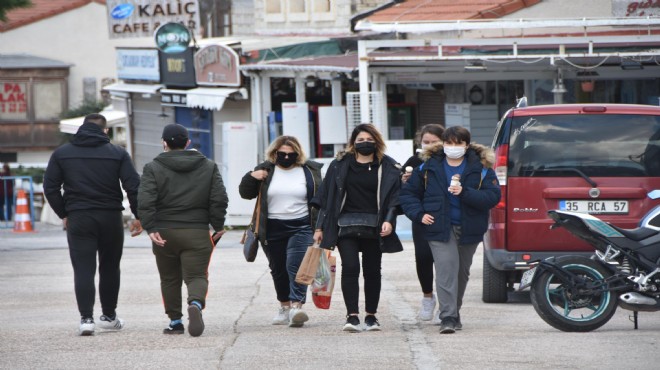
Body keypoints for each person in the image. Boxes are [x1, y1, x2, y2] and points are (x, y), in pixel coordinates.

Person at [44, 113, 143, 336]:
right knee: (110, 266)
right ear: (105, 131)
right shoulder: (117, 153)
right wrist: (139, 215)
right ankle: (108, 316)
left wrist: (64, 213)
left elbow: (50, 188)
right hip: (110, 216)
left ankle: (86, 319)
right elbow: (133, 186)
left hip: (79, 217)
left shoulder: (62, 154)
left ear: (81, 128)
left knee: (83, 269)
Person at [399, 125, 500, 334]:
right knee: (446, 271)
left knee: (461, 274)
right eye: (449, 143)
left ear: (466, 145)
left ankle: (455, 312)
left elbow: (493, 197)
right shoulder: (427, 167)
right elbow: (408, 194)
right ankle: (448, 317)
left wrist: (465, 192)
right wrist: (419, 214)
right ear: (443, 144)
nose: (453, 147)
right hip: (439, 227)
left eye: (458, 143)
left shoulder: (481, 168)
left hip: (469, 227)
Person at [138, 123, 228, 337]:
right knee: (197, 275)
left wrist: (150, 226)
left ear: (164, 143)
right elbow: (219, 198)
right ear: (188, 143)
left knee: (169, 278)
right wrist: (218, 225)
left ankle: (175, 321)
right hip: (196, 231)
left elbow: (145, 199)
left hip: (164, 231)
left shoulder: (153, 167)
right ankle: (195, 304)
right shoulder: (208, 166)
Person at [312, 123, 403, 332]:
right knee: (351, 267)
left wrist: (389, 219)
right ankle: (352, 316)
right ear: (353, 142)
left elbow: (395, 198)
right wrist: (319, 228)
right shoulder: (339, 165)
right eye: (360, 140)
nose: (365, 143)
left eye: (369, 140)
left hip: (376, 225)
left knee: (372, 271)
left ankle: (371, 316)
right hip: (344, 224)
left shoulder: (388, 166)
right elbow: (326, 198)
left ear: (377, 142)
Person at [238, 135, 323, 328]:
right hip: (271, 227)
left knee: (296, 266)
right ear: (274, 153)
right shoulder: (265, 169)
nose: (286, 157)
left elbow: (320, 199)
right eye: (281, 154)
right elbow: (245, 193)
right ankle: (284, 307)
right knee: (278, 269)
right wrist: (251, 176)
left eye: (291, 154)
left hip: (301, 225)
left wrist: (319, 226)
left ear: (298, 154)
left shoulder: (310, 171)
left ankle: (296, 307)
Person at [401, 124, 445, 321]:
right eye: (426, 142)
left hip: (444, 217)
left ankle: (445, 304)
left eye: (434, 142)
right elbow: (402, 190)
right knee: (423, 258)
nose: (429, 146)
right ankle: (428, 298)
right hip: (421, 216)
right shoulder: (413, 161)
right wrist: (404, 179)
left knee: (445, 261)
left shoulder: (449, 159)